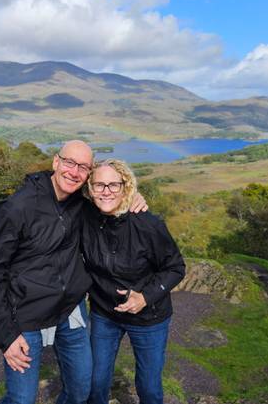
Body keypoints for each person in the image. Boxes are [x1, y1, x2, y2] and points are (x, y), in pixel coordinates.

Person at [0, 141, 146, 404]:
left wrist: (132, 197)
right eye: (69, 163)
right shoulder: (16, 208)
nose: (74, 172)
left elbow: (109, 201)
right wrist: (6, 336)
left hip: (70, 310)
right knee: (21, 400)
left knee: (80, 391)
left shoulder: (81, 203)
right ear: (56, 162)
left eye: (83, 167)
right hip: (26, 315)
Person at [81, 159, 186, 404]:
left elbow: (175, 267)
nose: (106, 191)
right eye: (99, 185)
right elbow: (63, 179)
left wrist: (145, 297)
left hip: (149, 318)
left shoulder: (148, 224)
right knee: (95, 382)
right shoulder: (86, 215)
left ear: (125, 187)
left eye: (113, 185)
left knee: (149, 388)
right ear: (90, 189)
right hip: (104, 314)